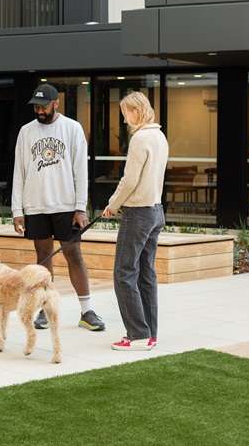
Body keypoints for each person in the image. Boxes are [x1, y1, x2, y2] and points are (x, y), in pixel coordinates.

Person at [12, 83, 105, 332]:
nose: (39, 111)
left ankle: (87, 311)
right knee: (43, 258)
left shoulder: (72, 129)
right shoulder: (26, 131)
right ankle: (43, 309)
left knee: (73, 254)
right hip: (35, 205)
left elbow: (81, 171)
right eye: (36, 107)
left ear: (56, 103)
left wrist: (80, 207)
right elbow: (18, 172)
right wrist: (17, 210)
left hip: (66, 206)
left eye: (43, 106)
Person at [102, 91, 168, 351]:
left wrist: (112, 205)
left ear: (136, 111)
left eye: (125, 113)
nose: (124, 118)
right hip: (156, 210)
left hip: (138, 213)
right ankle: (150, 333)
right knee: (146, 273)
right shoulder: (160, 136)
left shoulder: (141, 138)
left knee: (124, 273)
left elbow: (130, 179)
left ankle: (137, 334)